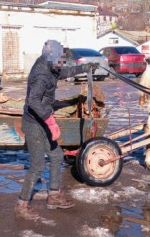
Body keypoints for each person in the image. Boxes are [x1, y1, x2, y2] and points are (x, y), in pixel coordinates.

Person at [14, 40, 98, 220]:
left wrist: (85, 67)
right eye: (59, 60)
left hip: (41, 121)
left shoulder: (50, 66)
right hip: (34, 124)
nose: (61, 64)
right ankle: (22, 205)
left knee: (57, 156)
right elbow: (33, 101)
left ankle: (54, 196)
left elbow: (64, 72)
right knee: (37, 166)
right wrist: (50, 121)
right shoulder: (42, 74)